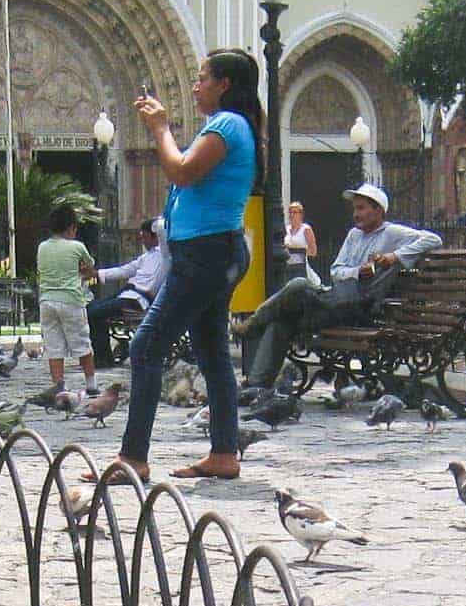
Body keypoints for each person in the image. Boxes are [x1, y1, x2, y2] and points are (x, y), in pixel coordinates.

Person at [113, 49, 261, 483]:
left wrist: (160, 128)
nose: (195, 86)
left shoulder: (228, 125)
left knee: (146, 346)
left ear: (225, 84)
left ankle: (133, 458)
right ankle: (223, 452)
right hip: (212, 253)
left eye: (202, 79)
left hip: (206, 256)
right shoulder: (234, 126)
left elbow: (181, 171)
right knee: (213, 353)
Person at [238, 182, 441, 391]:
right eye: (355, 208)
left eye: (361, 208)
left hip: (358, 309)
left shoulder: (392, 233)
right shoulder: (354, 235)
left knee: (299, 284)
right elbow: (336, 271)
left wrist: (393, 256)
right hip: (335, 302)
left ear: (378, 210)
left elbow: (433, 239)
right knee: (282, 322)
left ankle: (253, 325)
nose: (356, 214)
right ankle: (256, 385)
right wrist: (355, 272)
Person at [34, 203, 99, 397]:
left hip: (46, 301)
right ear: (72, 228)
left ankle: (58, 386)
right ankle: (91, 384)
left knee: (54, 346)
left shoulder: (42, 247)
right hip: (71, 300)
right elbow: (90, 266)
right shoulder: (77, 246)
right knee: (82, 343)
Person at [89, 218, 169, 369]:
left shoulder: (166, 257)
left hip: (138, 299)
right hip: (127, 293)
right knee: (90, 308)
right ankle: (103, 355)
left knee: (95, 313)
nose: (142, 241)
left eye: (144, 237)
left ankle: (103, 358)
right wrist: (97, 274)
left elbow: (161, 228)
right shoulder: (146, 257)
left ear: (154, 237)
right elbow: (125, 270)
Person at [282, 199, 319, 282]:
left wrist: (296, 248)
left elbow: (313, 252)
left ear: (301, 215)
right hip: (286, 268)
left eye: (295, 212)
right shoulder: (286, 229)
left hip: (300, 269)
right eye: (290, 212)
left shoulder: (306, 229)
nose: (292, 215)